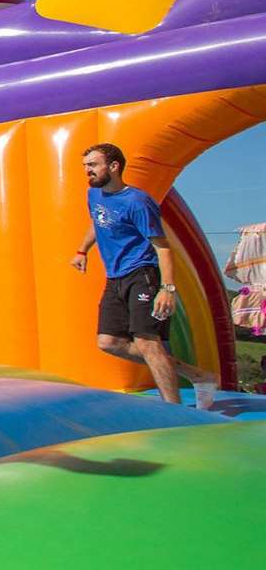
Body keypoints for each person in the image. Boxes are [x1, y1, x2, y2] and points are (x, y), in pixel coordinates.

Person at [73, 143, 216, 408]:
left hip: (143, 274)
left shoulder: (137, 202)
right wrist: (82, 250)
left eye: (92, 165)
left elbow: (162, 247)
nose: (87, 171)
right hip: (115, 277)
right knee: (109, 342)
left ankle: (173, 411)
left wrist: (167, 289)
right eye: (85, 166)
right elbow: (98, 220)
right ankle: (197, 375)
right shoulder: (94, 195)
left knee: (147, 342)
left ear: (113, 166)